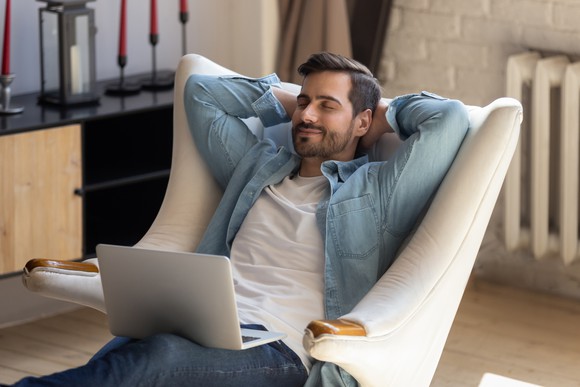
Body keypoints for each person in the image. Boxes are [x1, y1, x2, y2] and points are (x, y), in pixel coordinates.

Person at [10, 52, 469, 387]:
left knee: (157, 359)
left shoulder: (374, 193)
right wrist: (293, 103)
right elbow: (202, 93)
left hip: (281, 350)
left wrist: (381, 111)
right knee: (128, 354)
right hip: (205, 324)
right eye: (304, 102)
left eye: (327, 105)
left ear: (364, 122)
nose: (307, 114)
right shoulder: (256, 166)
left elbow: (447, 120)